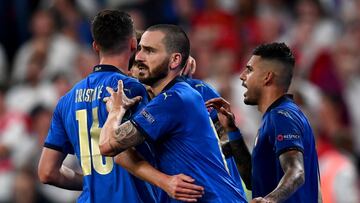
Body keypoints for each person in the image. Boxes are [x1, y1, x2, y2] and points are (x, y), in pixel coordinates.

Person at [38, 10, 203, 203]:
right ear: (134, 44)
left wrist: (95, 182)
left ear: (95, 46)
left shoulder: (66, 101)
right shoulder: (132, 88)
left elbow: (47, 172)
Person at [99, 24, 247, 202]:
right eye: (139, 51)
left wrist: (115, 111)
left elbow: (107, 146)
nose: (139, 59)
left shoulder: (179, 96)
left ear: (175, 60)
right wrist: (165, 181)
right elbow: (122, 155)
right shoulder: (150, 101)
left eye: (150, 51)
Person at [206, 42, 321, 203]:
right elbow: (252, 179)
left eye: (250, 70)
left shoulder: (282, 115)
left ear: (267, 77)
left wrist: (270, 200)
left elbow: (296, 172)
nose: (242, 76)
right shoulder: (273, 117)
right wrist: (231, 131)